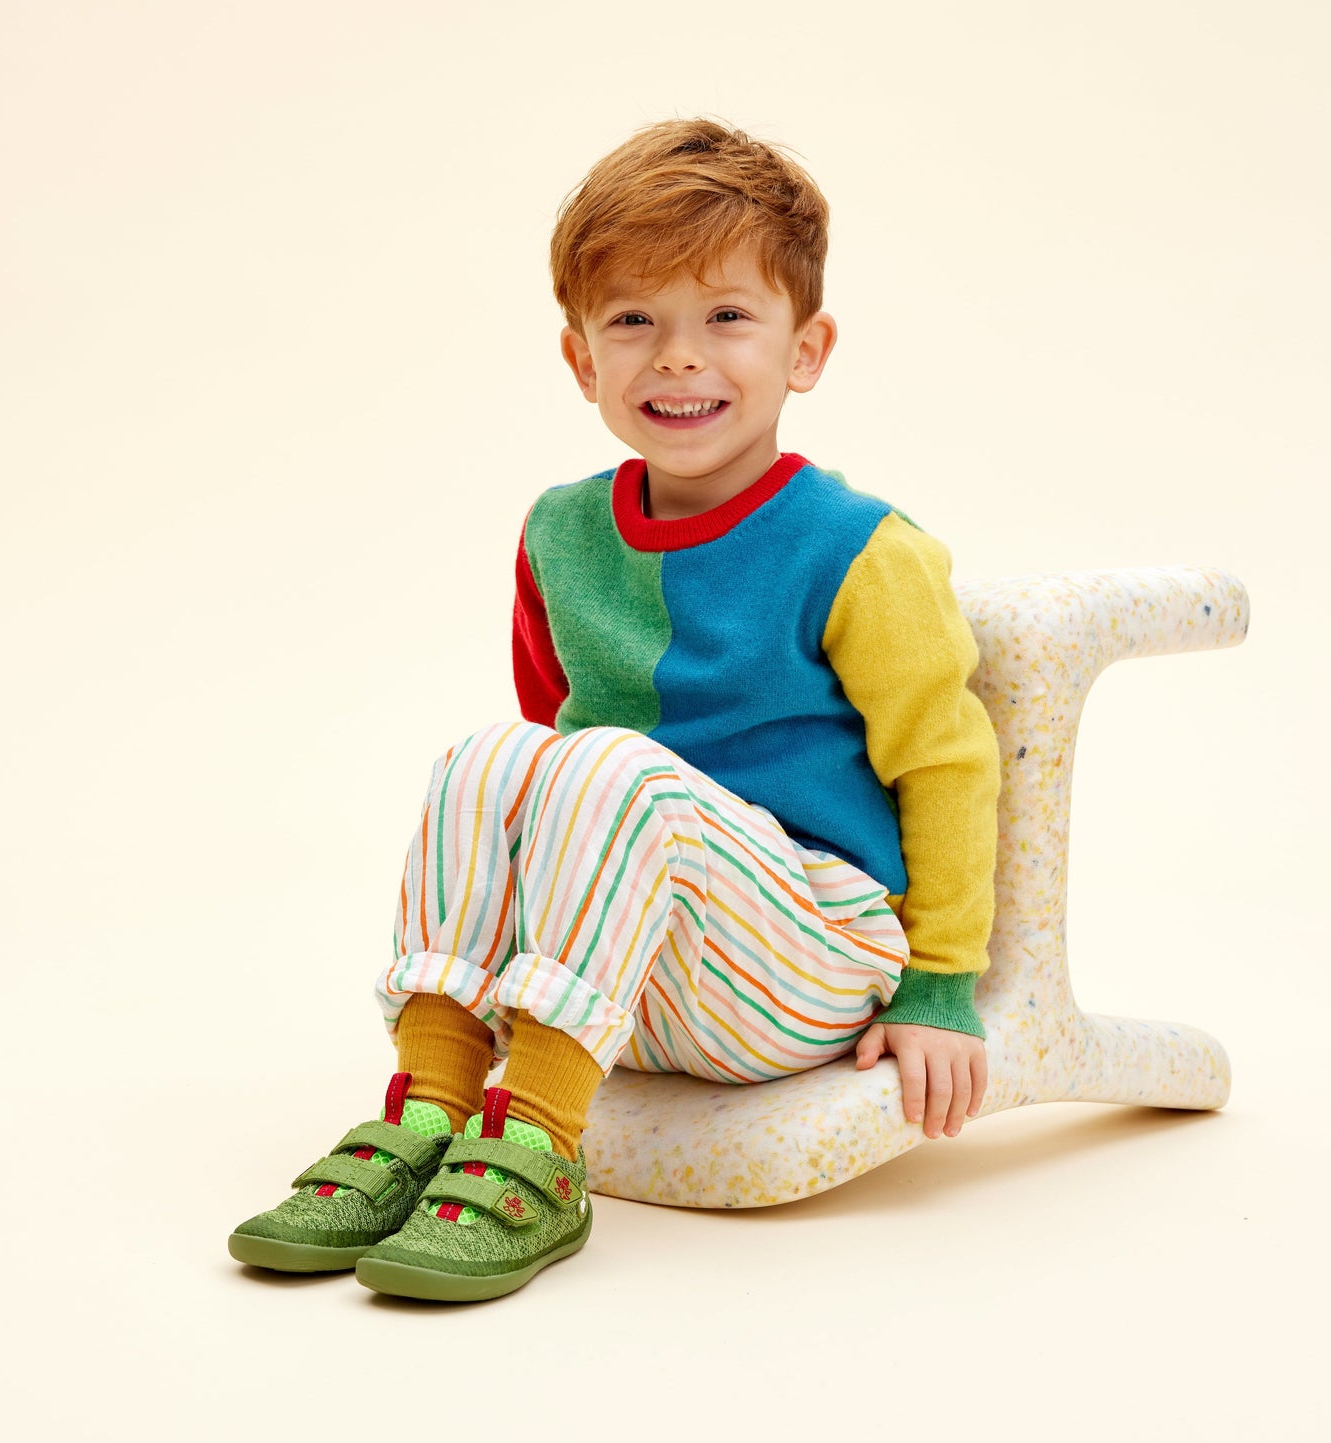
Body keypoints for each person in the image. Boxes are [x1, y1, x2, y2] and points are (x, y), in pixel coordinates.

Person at [228, 116, 1001, 1302]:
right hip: (629, 971)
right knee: (492, 756)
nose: (677, 358)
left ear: (805, 349)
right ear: (581, 361)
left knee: (599, 764)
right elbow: (540, 766)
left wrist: (940, 986)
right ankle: (432, 1105)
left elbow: (946, 763)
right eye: (633, 320)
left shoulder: (859, 549)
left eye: (726, 316)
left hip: (806, 956)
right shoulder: (561, 530)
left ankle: (540, 1147)